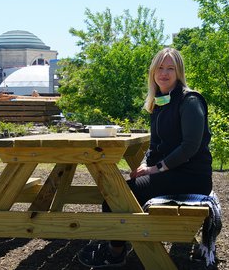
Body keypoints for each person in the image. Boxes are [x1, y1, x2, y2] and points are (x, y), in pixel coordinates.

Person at [78, 47, 213, 268]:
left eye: (171, 68)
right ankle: (122, 242)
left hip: (191, 177)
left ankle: (116, 252)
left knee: (116, 197)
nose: (164, 73)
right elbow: (155, 145)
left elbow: (190, 147)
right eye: (160, 67)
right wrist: (143, 164)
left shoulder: (190, 101)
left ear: (179, 72)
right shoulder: (159, 102)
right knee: (119, 191)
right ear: (152, 72)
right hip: (172, 172)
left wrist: (155, 168)